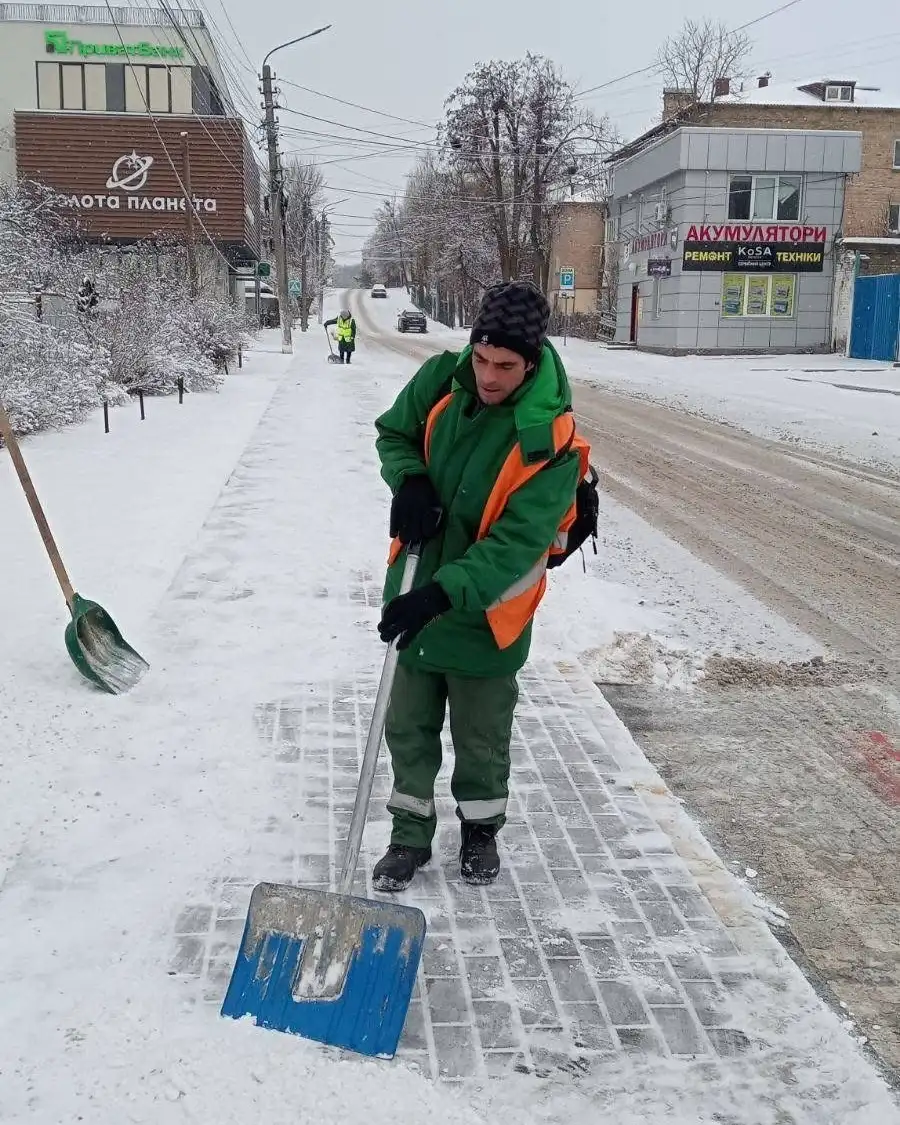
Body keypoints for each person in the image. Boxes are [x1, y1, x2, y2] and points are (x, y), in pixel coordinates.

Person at [373, 280, 590, 891]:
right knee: (408, 727)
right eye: (482, 358)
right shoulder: (442, 381)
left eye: (506, 366)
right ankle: (409, 837)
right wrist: (409, 478)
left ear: (531, 361)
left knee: (481, 739)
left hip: (487, 618)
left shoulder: (552, 442)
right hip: (416, 594)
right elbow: (394, 433)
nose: (489, 376)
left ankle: (479, 834)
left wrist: (440, 594)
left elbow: (514, 546)